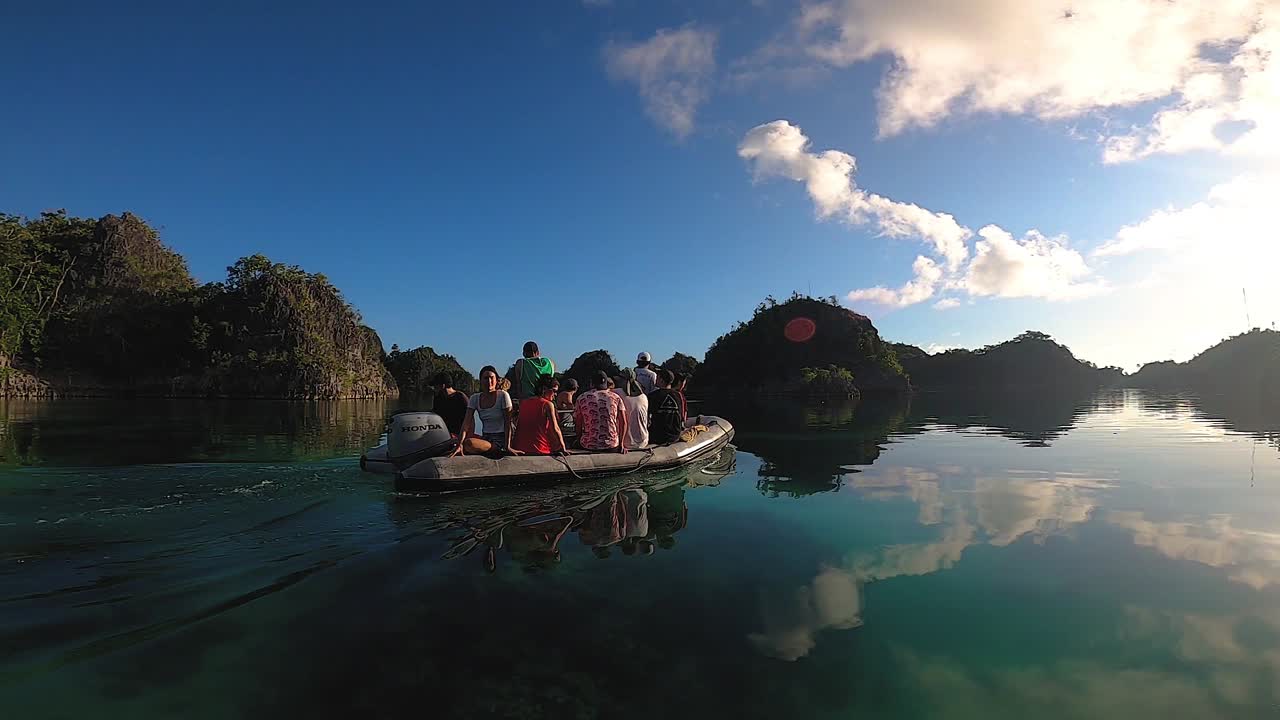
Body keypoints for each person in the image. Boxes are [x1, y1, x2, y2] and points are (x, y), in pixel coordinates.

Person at [452, 365, 515, 456]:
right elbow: (466, 424)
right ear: (481, 381)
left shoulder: (503, 395)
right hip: (485, 438)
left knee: (469, 443)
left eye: (491, 378)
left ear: (496, 380)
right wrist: (459, 444)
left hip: (500, 440)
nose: (489, 381)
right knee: (454, 441)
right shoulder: (475, 398)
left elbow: (508, 423)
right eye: (485, 378)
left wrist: (507, 446)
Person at [512, 374, 568, 456]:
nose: (555, 394)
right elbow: (555, 428)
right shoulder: (547, 404)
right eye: (554, 391)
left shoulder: (523, 403)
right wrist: (563, 447)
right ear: (544, 389)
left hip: (519, 447)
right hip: (539, 448)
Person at [574, 370, 628, 453]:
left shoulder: (581, 398)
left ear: (591, 383)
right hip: (611, 444)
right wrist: (621, 444)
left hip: (588, 444)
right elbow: (623, 422)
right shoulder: (616, 397)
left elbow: (578, 422)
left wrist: (578, 440)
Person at [612, 368, 650, 449]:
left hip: (624, 443)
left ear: (622, 380)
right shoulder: (644, 397)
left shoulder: (615, 393)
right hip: (643, 442)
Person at [647, 367, 686, 445]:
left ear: (661, 380)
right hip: (675, 435)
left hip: (658, 436)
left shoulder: (653, 396)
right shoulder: (679, 396)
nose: (655, 379)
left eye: (657, 377)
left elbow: (647, 418)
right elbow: (682, 416)